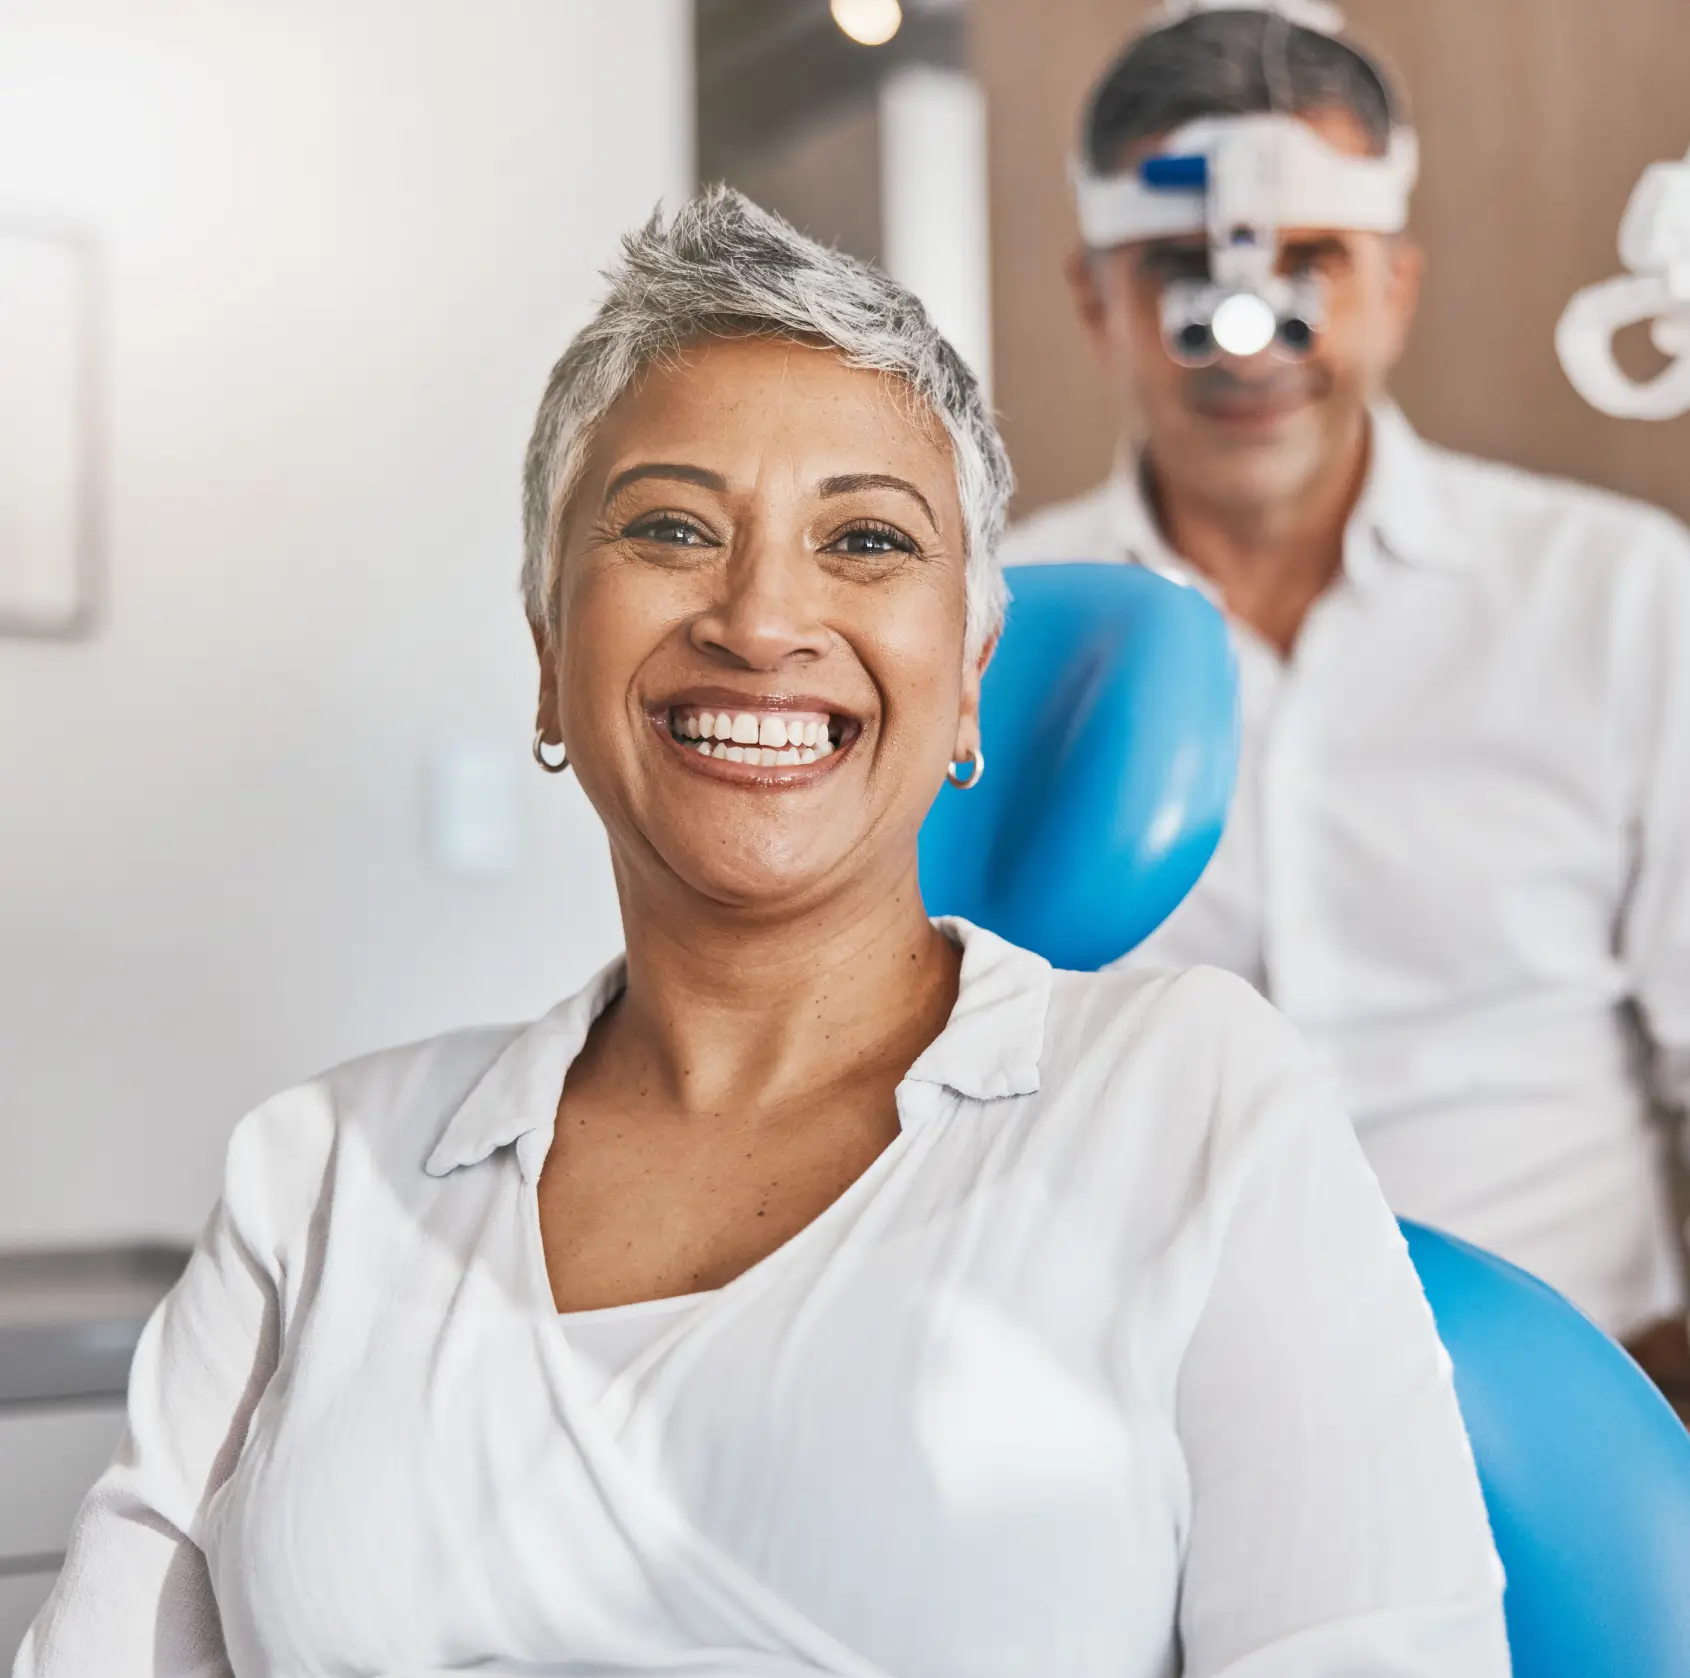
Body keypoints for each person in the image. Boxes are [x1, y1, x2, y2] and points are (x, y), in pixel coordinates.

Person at [17, 189, 1506, 1677]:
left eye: (864, 538)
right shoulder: (321, 1168)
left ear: (972, 676)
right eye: (670, 526)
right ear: (548, 655)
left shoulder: (1188, 1096)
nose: (758, 616)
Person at [1002, 1, 1690, 1412]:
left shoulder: (1620, 598)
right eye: (1178, 271)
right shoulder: (988, 625)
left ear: (1396, 284)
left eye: (1308, 263)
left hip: (1586, 1395)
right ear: (1092, 299)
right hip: (1133, 1408)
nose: (1245, 335)